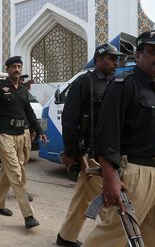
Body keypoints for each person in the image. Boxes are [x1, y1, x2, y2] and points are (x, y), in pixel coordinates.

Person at [83, 30, 155, 247]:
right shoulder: (124, 85)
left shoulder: (154, 86)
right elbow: (107, 132)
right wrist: (110, 176)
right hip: (136, 175)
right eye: (154, 51)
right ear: (138, 56)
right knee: (114, 237)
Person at [56, 44, 123, 247]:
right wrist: (72, 152)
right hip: (91, 154)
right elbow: (69, 119)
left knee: (82, 198)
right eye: (111, 58)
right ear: (99, 59)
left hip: (109, 151)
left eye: (117, 59)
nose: (116, 63)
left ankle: (66, 237)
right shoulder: (85, 82)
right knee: (111, 208)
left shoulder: (116, 83)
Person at [0, 56, 47, 229]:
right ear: (8, 69)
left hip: (21, 135)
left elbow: (29, 113)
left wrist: (39, 131)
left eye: (19, 66)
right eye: (13, 66)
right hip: (4, 135)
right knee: (16, 172)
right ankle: (28, 215)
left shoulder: (23, 90)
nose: (17, 69)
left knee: (8, 171)